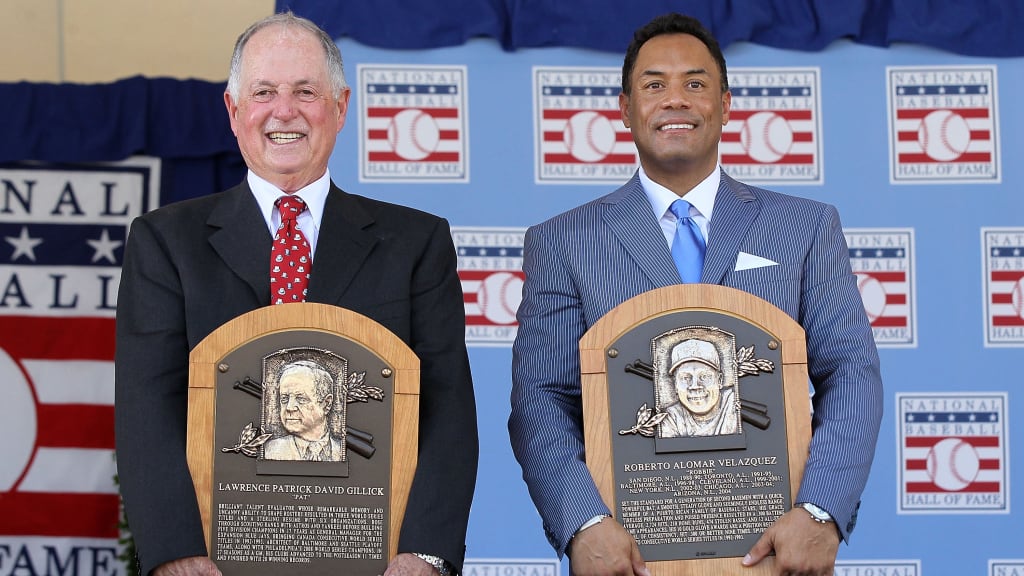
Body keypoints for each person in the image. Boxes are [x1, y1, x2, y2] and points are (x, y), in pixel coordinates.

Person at [509, 12, 883, 576]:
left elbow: (852, 373)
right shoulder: (563, 241)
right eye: (654, 85)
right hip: (629, 559)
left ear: (726, 105)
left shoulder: (805, 228)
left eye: (696, 83)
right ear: (625, 108)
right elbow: (540, 397)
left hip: (775, 555)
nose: (675, 99)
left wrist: (821, 511)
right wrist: (582, 523)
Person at [115, 11, 477, 576]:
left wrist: (423, 553)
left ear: (340, 107)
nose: (284, 111)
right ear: (234, 111)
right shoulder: (165, 242)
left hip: (375, 560)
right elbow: (147, 411)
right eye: (264, 92)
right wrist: (177, 555)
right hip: (216, 559)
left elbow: (447, 409)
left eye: (305, 91)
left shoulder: (416, 242)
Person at [263, 359, 345, 462]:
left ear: (326, 404)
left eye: (301, 399)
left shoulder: (343, 451)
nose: (289, 407)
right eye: (284, 399)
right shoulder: (269, 451)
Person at [659, 338, 739, 438]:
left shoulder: (734, 406)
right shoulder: (671, 418)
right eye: (685, 378)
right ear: (675, 385)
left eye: (704, 376)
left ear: (720, 380)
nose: (695, 386)